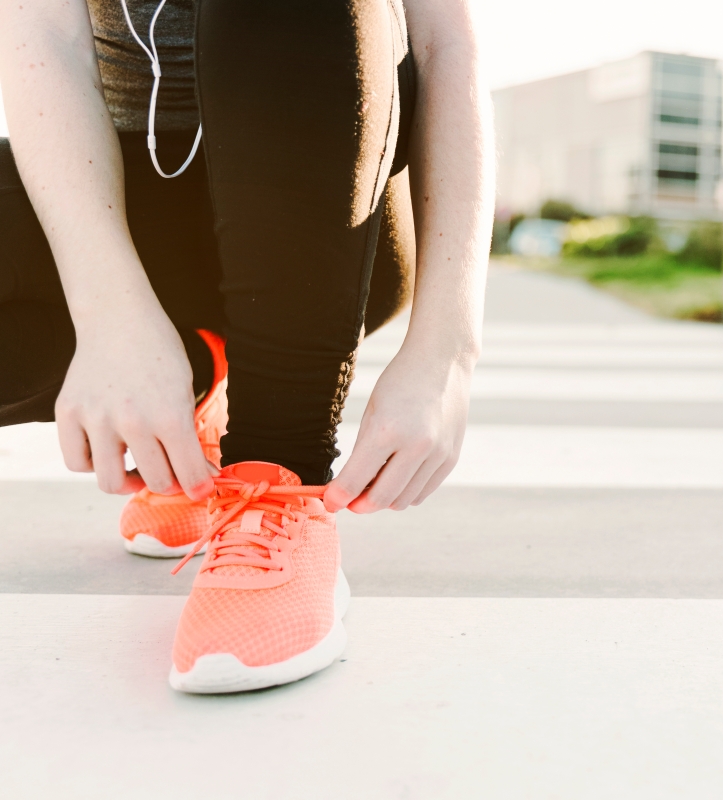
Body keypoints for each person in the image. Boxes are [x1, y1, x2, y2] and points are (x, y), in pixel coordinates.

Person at [0, 0, 492, 693]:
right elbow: (44, 42)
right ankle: (203, 376)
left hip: (326, 198)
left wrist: (449, 353)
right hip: (128, 196)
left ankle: (274, 477)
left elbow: (449, 48)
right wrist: (108, 317)